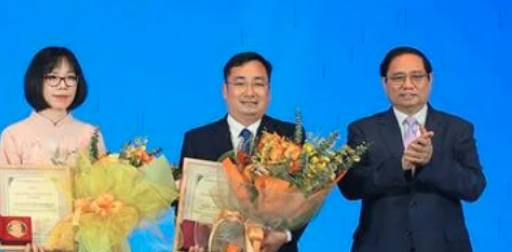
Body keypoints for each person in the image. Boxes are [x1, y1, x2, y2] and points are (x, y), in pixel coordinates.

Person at [338, 46, 486, 252]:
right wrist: (400, 166)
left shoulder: (458, 129)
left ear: (430, 79)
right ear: (384, 83)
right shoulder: (362, 129)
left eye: (416, 76)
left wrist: (431, 161)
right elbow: (350, 186)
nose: (407, 85)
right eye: (398, 78)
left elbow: (474, 187)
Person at [179, 51, 307, 252]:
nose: (250, 92)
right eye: (240, 83)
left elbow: (306, 198)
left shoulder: (290, 136)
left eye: (258, 83)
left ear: (269, 90)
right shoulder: (197, 139)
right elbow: (186, 204)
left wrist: (284, 236)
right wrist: (193, 242)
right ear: (225, 90)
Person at [0, 46, 107, 252]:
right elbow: (6, 203)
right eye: (53, 77)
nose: (62, 86)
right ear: (37, 81)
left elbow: (103, 197)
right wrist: (22, 242)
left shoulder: (91, 134)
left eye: (70, 78)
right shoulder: (13, 135)